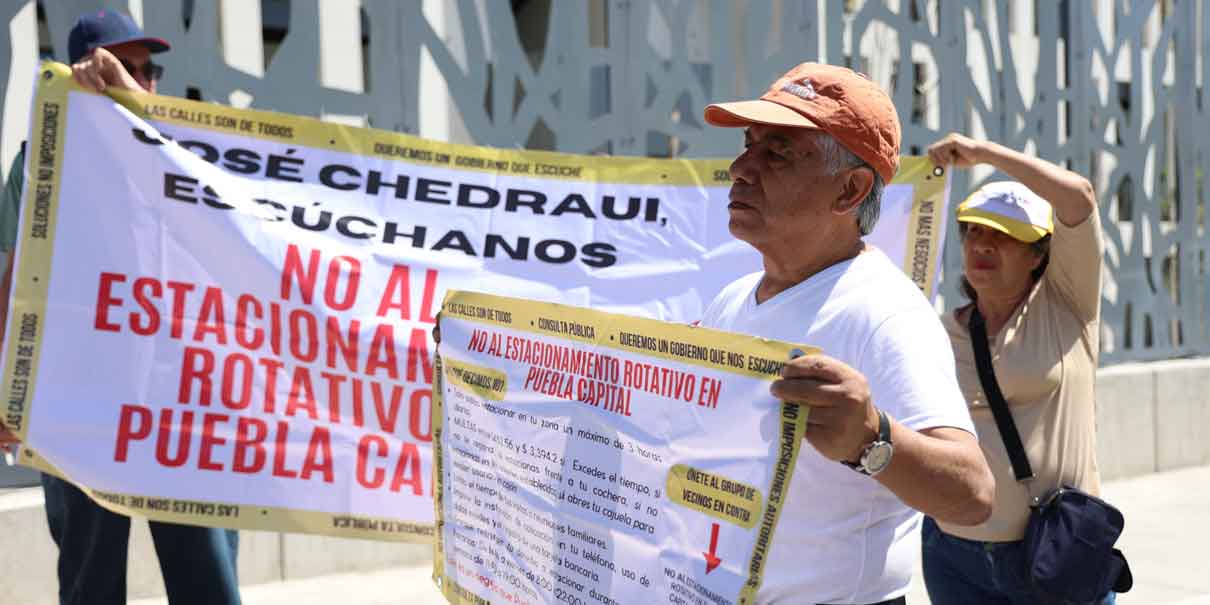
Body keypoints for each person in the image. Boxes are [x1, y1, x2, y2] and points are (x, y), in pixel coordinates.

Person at [697, 63, 994, 604]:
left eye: (777, 152)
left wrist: (872, 440)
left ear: (850, 189)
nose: (741, 167)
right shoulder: (732, 299)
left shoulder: (884, 313)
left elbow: (972, 494)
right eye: (748, 145)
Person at [0, 9, 242, 605]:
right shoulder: (38, 162)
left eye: (147, 70)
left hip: (184, 403)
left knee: (207, 580)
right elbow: (11, 284)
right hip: (79, 405)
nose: (141, 80)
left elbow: (232, 218)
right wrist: (7, 395)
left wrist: (132, 100)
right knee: (89, 581)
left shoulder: (181, 152)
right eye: (120, 67)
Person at [920, 133, 1110, 604]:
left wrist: (984, 155)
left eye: (1004, 236)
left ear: (1037, 254)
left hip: (1055, 549)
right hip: (951, 551)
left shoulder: (1067, 305)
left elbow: (1079, 198)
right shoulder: (940, 330)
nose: (984, 245)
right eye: (976, 232)